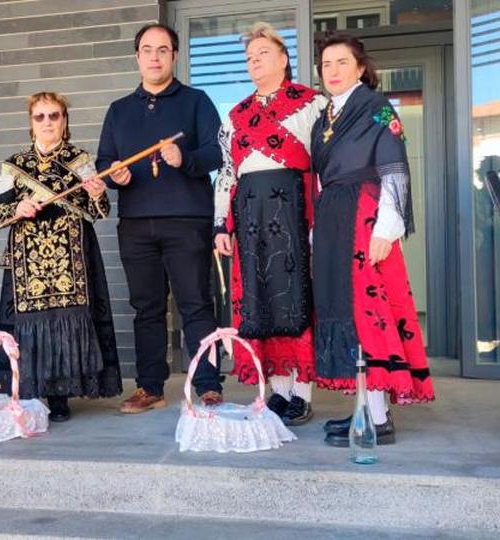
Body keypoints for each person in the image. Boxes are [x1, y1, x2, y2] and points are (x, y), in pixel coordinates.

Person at [309, 34, 435, 446]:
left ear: (361, 68)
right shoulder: (325, 117)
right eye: (327, 64)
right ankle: (365, 409)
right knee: (346, 313)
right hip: (333, 219)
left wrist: (386, 228)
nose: (333, 70)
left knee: (368, 313)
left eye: (342, 62)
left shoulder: (375, 109)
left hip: (364, 218)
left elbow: (394, 169)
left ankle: (379, 418)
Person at [96, 23, 225, 413]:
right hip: (135, 223)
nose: (155, 57)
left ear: (174, 56)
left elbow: (219, 154)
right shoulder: (119, 110)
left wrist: (184, 159)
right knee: (146, 307)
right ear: (137, 57)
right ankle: (150, 386)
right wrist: (114, 174)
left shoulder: (196, 101)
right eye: (147, 50)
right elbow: (104, 161)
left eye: (163, 50)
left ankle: (208, 384)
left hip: (187, 220)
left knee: (196, 304)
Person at [213, 22, 327, 426]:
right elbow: (227, 173)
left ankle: (301, 391)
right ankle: (278, 390)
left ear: (283, 59)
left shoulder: (312, 105)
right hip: (248, 218)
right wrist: (220, 226)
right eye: (248, 57)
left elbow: (324, 167)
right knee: (260, 299)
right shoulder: (236, 115)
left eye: (262, 53)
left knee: (294, 297)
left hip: (294, 212)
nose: (254, 61)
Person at [0, 92, 122, 422]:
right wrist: (17, 207)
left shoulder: (81, 161)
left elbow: (98, 211)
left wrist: (97, 193)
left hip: (70, 258)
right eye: (40, 116)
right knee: (30, 324)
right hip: (27, 261)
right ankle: (32, 390)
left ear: (65, 120)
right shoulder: (14, 166)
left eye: (54, 115)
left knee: (66, 320)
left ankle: (61, 395)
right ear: (31, 123)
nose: (47, 122)